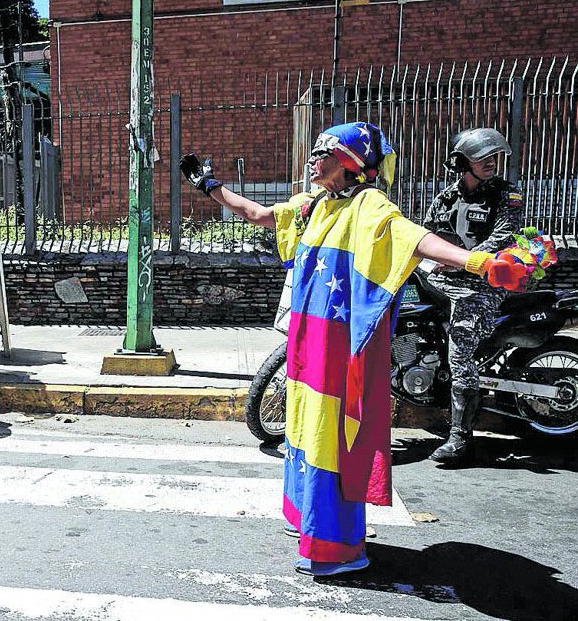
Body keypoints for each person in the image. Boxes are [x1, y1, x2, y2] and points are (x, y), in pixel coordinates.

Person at [179, 122, 529, 577]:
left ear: (350, 164)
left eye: (322, 151)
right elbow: (260, 215)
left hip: (337, 346)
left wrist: (478, 262)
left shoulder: (368, 205)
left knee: (330, 436)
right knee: (303, 428)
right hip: (308, 344)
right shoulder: (314, 204)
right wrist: (208, 185)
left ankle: (334, 548)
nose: (311, 158)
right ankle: (308, 522)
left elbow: (413, 238)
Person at [422, 128, 524, 464]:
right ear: (461, 162)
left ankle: (460, 439)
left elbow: (503, 238)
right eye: (482, 158)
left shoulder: (506, 195)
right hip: (445, 279)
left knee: (459, 350)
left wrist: (457, 263)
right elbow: (426, 234)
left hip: (483, 284)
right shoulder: (447, 198)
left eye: (493, 158)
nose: (491, 163)